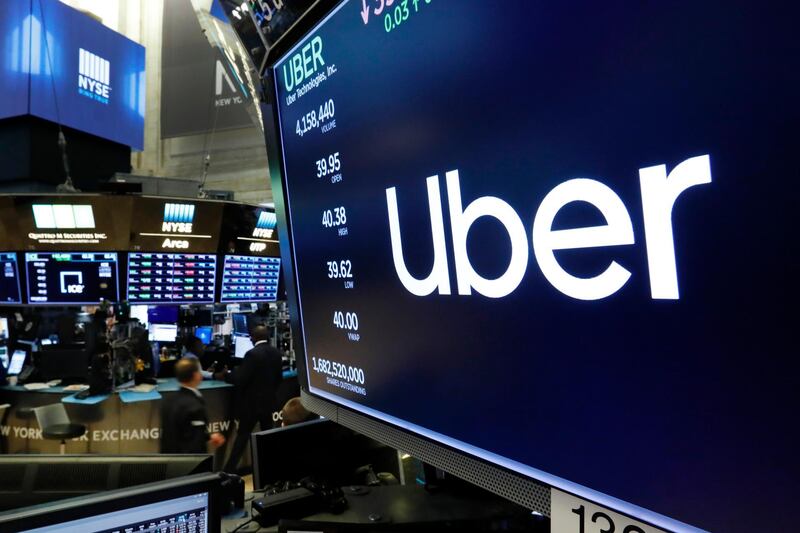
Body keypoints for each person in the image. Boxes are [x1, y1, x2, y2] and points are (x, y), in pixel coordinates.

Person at [216, 325, 283, 473]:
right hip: (268, 404)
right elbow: (279, 378)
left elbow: (240, 378)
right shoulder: (276, 353)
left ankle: (228, 471)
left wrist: (225, 375)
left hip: (251, 406)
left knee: (242, 438)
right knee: (267, 437)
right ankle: (270, 469)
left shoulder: (252, 354)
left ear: (253, 338)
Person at [161, 358, 225, 454]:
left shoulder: (168, 400)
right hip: (188, 462)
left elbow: (183, 430)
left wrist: (209, 436)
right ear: (196, 375)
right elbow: (195, 442)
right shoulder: (194, 406)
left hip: (168, 459)